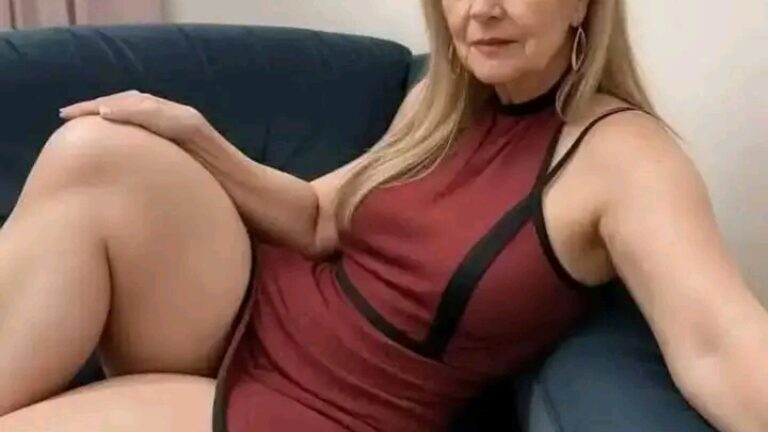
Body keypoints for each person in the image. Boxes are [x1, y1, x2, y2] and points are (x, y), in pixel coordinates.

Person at [0, 0, 766, 430]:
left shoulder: (622, 154)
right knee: (98, 151)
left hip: (316, 408)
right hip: (246, 312)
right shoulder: (442, 101)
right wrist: (193, 134)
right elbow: (316, 218)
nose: (483, 8)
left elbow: (721, 344)